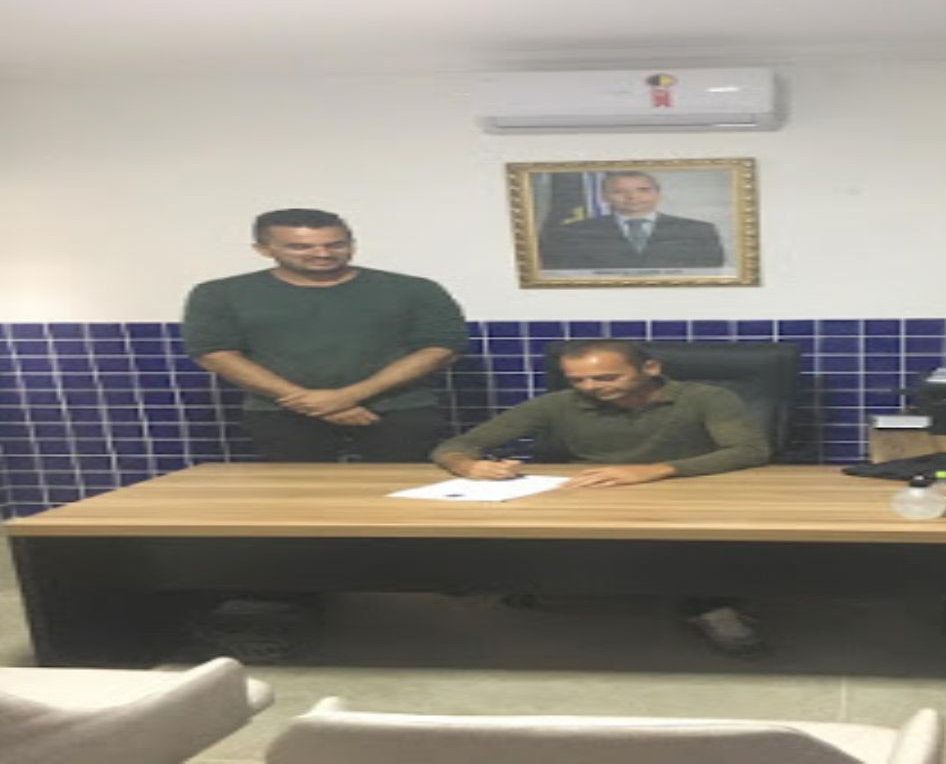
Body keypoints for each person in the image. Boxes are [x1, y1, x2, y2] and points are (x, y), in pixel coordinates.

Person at [430, 340, 771, 655]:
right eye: (578, 380)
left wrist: (655, 470)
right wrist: (469, 465)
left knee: (701, 541)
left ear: (650, 369)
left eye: (606, 377)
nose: (590, 387)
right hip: (591, 494)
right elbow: (454, 447)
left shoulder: (706, 398)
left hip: (686, 494)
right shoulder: (558, 404)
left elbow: (749, 450)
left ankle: (710, 604)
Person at [184, 208, 468, 463]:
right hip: (282, 414)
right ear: (263, 249)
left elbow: (441, 348)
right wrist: (309, 401)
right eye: (300, 247)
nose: (322, 253)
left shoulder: (415, 290)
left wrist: (348, 396)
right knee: (299, 498)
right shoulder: (219, 294)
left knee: (402, 495)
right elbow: (215, 354)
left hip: (400, 412)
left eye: (336, 244)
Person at [538, 172, 725, 270]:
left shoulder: (698, 230)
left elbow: (710, 270)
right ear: (604, 197)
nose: (632, 197)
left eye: (643, 190)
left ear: (658, 194)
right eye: (619, 191)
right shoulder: (573, 233)